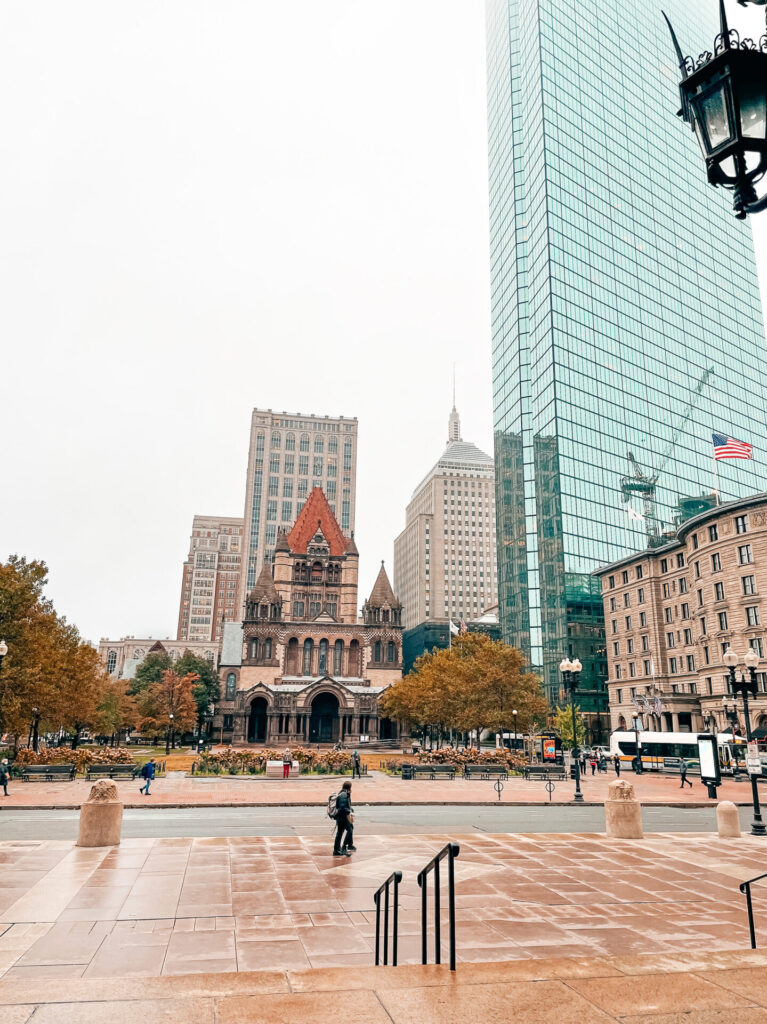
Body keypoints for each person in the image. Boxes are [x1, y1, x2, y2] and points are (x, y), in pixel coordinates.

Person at [333, 780, 356, 856]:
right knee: (348, 830)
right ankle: (341, 848)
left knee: (342, 832)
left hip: (341, 817)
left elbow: (344, 805)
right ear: (349, 787)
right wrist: (349, 811)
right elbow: (342, 807)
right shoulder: (344, 795)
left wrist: (350, 809)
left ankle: (339, 848)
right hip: (343, 817)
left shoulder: (343, 793)